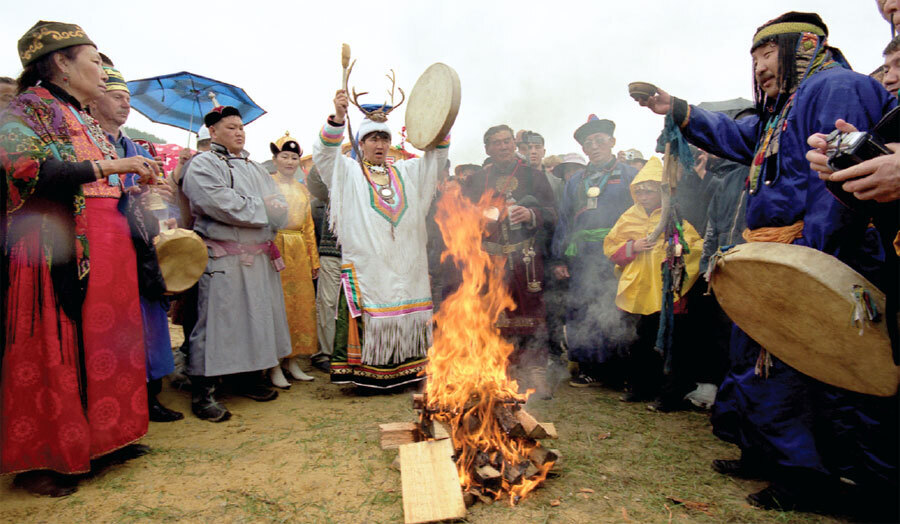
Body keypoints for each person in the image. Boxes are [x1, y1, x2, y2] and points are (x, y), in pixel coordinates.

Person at [637, 11, 897, 512]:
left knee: (795, 375)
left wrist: (813, 262)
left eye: (766, 53)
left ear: (802, 48)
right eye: (752, 56)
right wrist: (679, 109)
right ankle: (765, 454)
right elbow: (739, 140)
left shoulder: (837, 88)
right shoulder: (781, 111)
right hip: (770, 255)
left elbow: (836, 185)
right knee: (755, 366)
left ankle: (807, 480)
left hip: (811, 254)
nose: (757, 67)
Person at [0, 20, 159, 496]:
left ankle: (108, 438)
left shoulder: (83, 114)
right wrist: (113, 165)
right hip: (56, 245)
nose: (100, 70)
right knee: (55, 345)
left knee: (110, 341)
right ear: (62, 64)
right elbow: (25, 169)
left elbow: (102, 177)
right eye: (93, 61)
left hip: (108, 244)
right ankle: (46, 457)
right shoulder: (25, 111)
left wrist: (131, 179)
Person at [312, 90, 449, 390]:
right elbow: (324, 156)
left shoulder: (407, 171)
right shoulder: (349, 173)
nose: (379, 144)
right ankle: (366, 376)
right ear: (360, 143)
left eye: (384, 139)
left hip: (406, 263)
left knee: (406, 307)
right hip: (368, 265)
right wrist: (337, 118)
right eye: (372, 139)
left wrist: (441, 121)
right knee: (372, 309)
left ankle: (409, 372)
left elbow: (436, 160)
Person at [85, 63, 182, 422]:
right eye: (116, 97)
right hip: (106, 245)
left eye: (128, 99)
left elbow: (157, 202)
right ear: (94, 102)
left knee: (150, 319)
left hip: (140, 244)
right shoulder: (88, 142)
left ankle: (151, 394)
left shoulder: (134, 147)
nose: (125, 105)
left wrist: (163, 198)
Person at [182, 106, 291, 421]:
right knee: (218, 323)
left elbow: (277, 201)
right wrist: (263, 206)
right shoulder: (203, 164)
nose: (239, 132)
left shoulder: (255, 167)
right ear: (213, 132)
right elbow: (215, 202)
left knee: (256, 319)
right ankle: (203, 391)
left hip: (258, 255)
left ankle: (247, 378)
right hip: (224, 256)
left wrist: (276, 208)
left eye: (241, 127)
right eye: (230, 127)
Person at [462, 124, 557, 398]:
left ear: (513, 145)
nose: (503, 146)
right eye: (496, 142)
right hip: (489, 260)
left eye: (507, 141)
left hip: (525, 258)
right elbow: (461, 218)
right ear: (487, 148)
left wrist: (531, 214)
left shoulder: (534, 176)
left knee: (532, 313)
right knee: (490, 315)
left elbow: (553, 214)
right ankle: (496, 369)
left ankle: (535, 370)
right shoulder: (477, 179)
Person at [602, 157, 702, 401]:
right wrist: (632, 246)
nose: (643, 194)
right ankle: (640, 388)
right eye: (639, 190)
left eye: (649, 190)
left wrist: (674, 252)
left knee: (671, 343)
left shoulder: (675, 217)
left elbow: (696, 248)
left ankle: (670, 393)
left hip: (666, 292)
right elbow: (611, 247)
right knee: (639, 342)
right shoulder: (629, 217)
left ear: (662, 191)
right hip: (638, 290)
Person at [551, 117, 636, 388]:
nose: (595, 146)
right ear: (584, 150)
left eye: (600, 140)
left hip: (617, 253)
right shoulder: (575, 181)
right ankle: (588, 367)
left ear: (612, 142)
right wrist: (560, 256)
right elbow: (564, 220)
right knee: (583, 307)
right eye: (589, 143)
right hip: (582, 255)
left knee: (616, 308)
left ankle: (618, 370)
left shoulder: (629, 176)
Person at [268, 132, 319, 387]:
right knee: (280, 306)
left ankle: (293, 361)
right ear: (275, 159)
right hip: (276, 245)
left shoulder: (302, 189)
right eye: (284, 156)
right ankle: (275, 364)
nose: (289, 162)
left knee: (300, 306)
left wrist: (313, 260)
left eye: (294, 157)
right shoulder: (267, 184)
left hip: (299, 248)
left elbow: (308, 226)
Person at [305, 164, 341, 374]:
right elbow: (314, 182)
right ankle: (324, 353)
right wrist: (326, 156)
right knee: (327, 303)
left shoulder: (365, 185)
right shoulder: (329, 194)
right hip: (330, 253)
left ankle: (348, 351)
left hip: (359, 255)